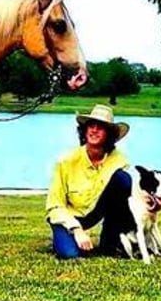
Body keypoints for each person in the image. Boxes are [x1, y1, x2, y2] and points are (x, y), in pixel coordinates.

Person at [45, 104, 132, 259]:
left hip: (95, 212)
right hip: (69, 216)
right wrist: (77, 229)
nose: (94, 130)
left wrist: (153, 202)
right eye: (91, 125)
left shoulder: (119, 159)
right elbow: (54, 206)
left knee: (124, 180)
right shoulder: (65, 161)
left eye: (101, 127)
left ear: (109, 134)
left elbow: (132, 193)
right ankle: (64, 238)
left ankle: (111, 241)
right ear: (84, 130)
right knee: (71, 254)